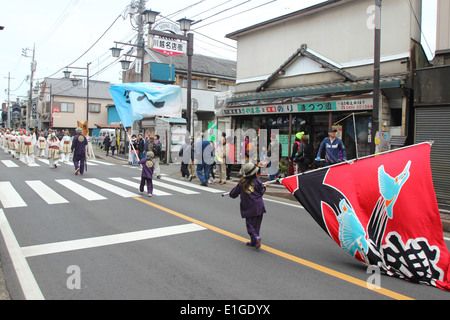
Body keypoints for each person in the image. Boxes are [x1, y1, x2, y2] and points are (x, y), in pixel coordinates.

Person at [229, 163, 270, 249]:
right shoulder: (258, 182)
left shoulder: (241, 184)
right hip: (259, 206)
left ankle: (255, 238)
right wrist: (264, 187)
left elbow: (232, 194)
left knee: (250, 225)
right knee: (257, 225)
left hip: (249, 208)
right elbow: (261, 192)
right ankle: (254, 242)